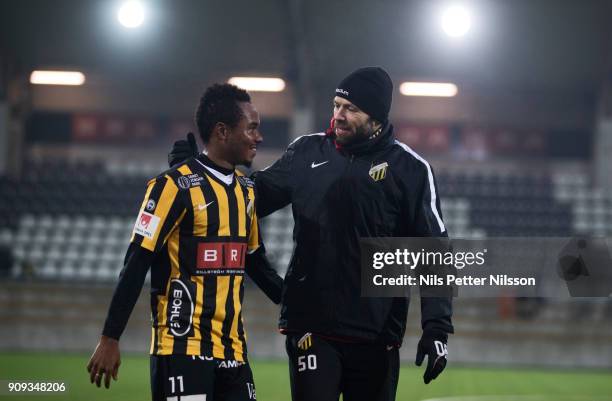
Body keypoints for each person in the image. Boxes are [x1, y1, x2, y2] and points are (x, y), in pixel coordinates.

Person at [170, 67, 453, 401]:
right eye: (336, 105)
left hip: (377, 334)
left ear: (376, 116)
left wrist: (436, 327)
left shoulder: (411, 169)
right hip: (311, 325)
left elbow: (433, 250)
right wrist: (202, 174)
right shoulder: (306, 152)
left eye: (351, 109)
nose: (339, 115)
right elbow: (245, 201)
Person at [88, 83, 283, 401]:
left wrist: (296, 305)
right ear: (222, 131)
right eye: (252, 128)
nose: (259, 137)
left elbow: (256, 263)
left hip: (234, 350)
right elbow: (136, 263)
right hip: (181, 346)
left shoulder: (247, 191)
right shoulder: (171, 187)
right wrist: (110, 337)